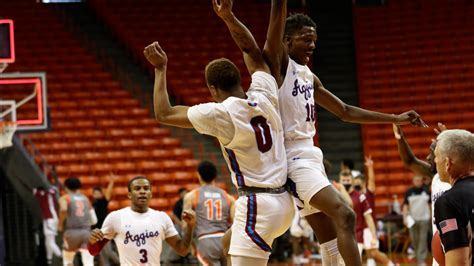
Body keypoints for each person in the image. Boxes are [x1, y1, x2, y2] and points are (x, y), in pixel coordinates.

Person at [261, 0, 427, 265]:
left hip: (311, 155)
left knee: (329, 241)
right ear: (287, 41)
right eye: (306, 39)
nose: (313, 45)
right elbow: (275, 24)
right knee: (346, 215)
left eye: (314, 40)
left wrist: (394, 118)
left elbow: (345, 111)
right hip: (293, 157)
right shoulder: (280, 65)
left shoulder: (308, 75)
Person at [143, 0, 295, 264]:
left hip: (257, 203)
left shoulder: (221, 113)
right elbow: (251, 51)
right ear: (239, 78)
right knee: (226, 244)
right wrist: (228, 16)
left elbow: (164, 113)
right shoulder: (264, 93)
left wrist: (160, 68)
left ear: (213, 89)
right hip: (284, 203)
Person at [87, 176, 196, 265]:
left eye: (146, 188)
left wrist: (190, 227)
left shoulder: (162, 217)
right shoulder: (116, 217)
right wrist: (92, 242)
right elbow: (94, 251)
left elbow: (183, 250)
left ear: (151, 194)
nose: (142, 191)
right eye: (137, 188)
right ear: (129, 195)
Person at [392, 123, 452, 266]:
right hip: (440, 242)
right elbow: (410, 161)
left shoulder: (460, 176)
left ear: (443, 157)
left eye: (432, 153)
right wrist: (400, 138)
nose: (427, 156)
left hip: (457, 241)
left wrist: (450, 139)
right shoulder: (435, 176)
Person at [433, 129, 474, 266]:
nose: (434, 160)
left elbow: (458, 264)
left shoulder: (448, 202)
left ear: (447, 163)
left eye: (436, 156)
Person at [183, 161, 235, 266]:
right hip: (225, 240)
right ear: (215, 176)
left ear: (198, 175)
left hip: (205, 241)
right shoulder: (229, 197)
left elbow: (185, 227)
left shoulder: (191, 196)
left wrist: (192, 246)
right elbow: (236, 226)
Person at [339, 170, 394, 265]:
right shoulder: (337, 196)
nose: (346, 183)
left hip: (363, 231)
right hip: (347, 233)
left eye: (348, 180)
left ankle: (391, 264)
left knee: (374, 253)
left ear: (352, 181)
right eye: (343, 180)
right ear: (340, 181)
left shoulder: (360, 196)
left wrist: (373, 236)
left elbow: (368, 217)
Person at [58, 177, 97, 266]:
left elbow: (63, 209)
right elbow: (94, 220)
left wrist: (60, 224)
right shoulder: (86, 199)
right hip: (86, 232)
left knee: (68, 261)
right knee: (88, 263)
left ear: (65, 187)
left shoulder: (65, 198)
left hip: (71, 232)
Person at [91, 174, 119, 266]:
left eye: (97, 193)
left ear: (101, 194)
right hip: (96, 231)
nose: (95, 194)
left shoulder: (103, 202)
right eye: (94, 193)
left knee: (109, 252)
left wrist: (111, 182)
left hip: (104, 230)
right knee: (102, 254)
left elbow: (108, 194)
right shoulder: (93, 204)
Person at [402, 175, 431, 265]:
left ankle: (421, 260)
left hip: (424, 219)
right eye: (416, 180)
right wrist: (405, 218)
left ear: (422, 181)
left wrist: (431, 215)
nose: (418, 182)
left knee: (423, 239)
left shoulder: (426, 191)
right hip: (412, 219)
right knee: (414, 239)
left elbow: (430, 205)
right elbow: (405, 206)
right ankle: (417, 256)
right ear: (413, 181)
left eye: (420, 180)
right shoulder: (409, 192)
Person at [34, 186, 62, 265]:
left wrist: (36, 191)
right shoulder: (51, 192)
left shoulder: (42, 194)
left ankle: (60, 255)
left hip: (48, 219)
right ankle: (49, 259)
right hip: (54, 218)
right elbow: (54, 189)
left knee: (50, 242)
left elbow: (35, 192)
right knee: (47, 241)